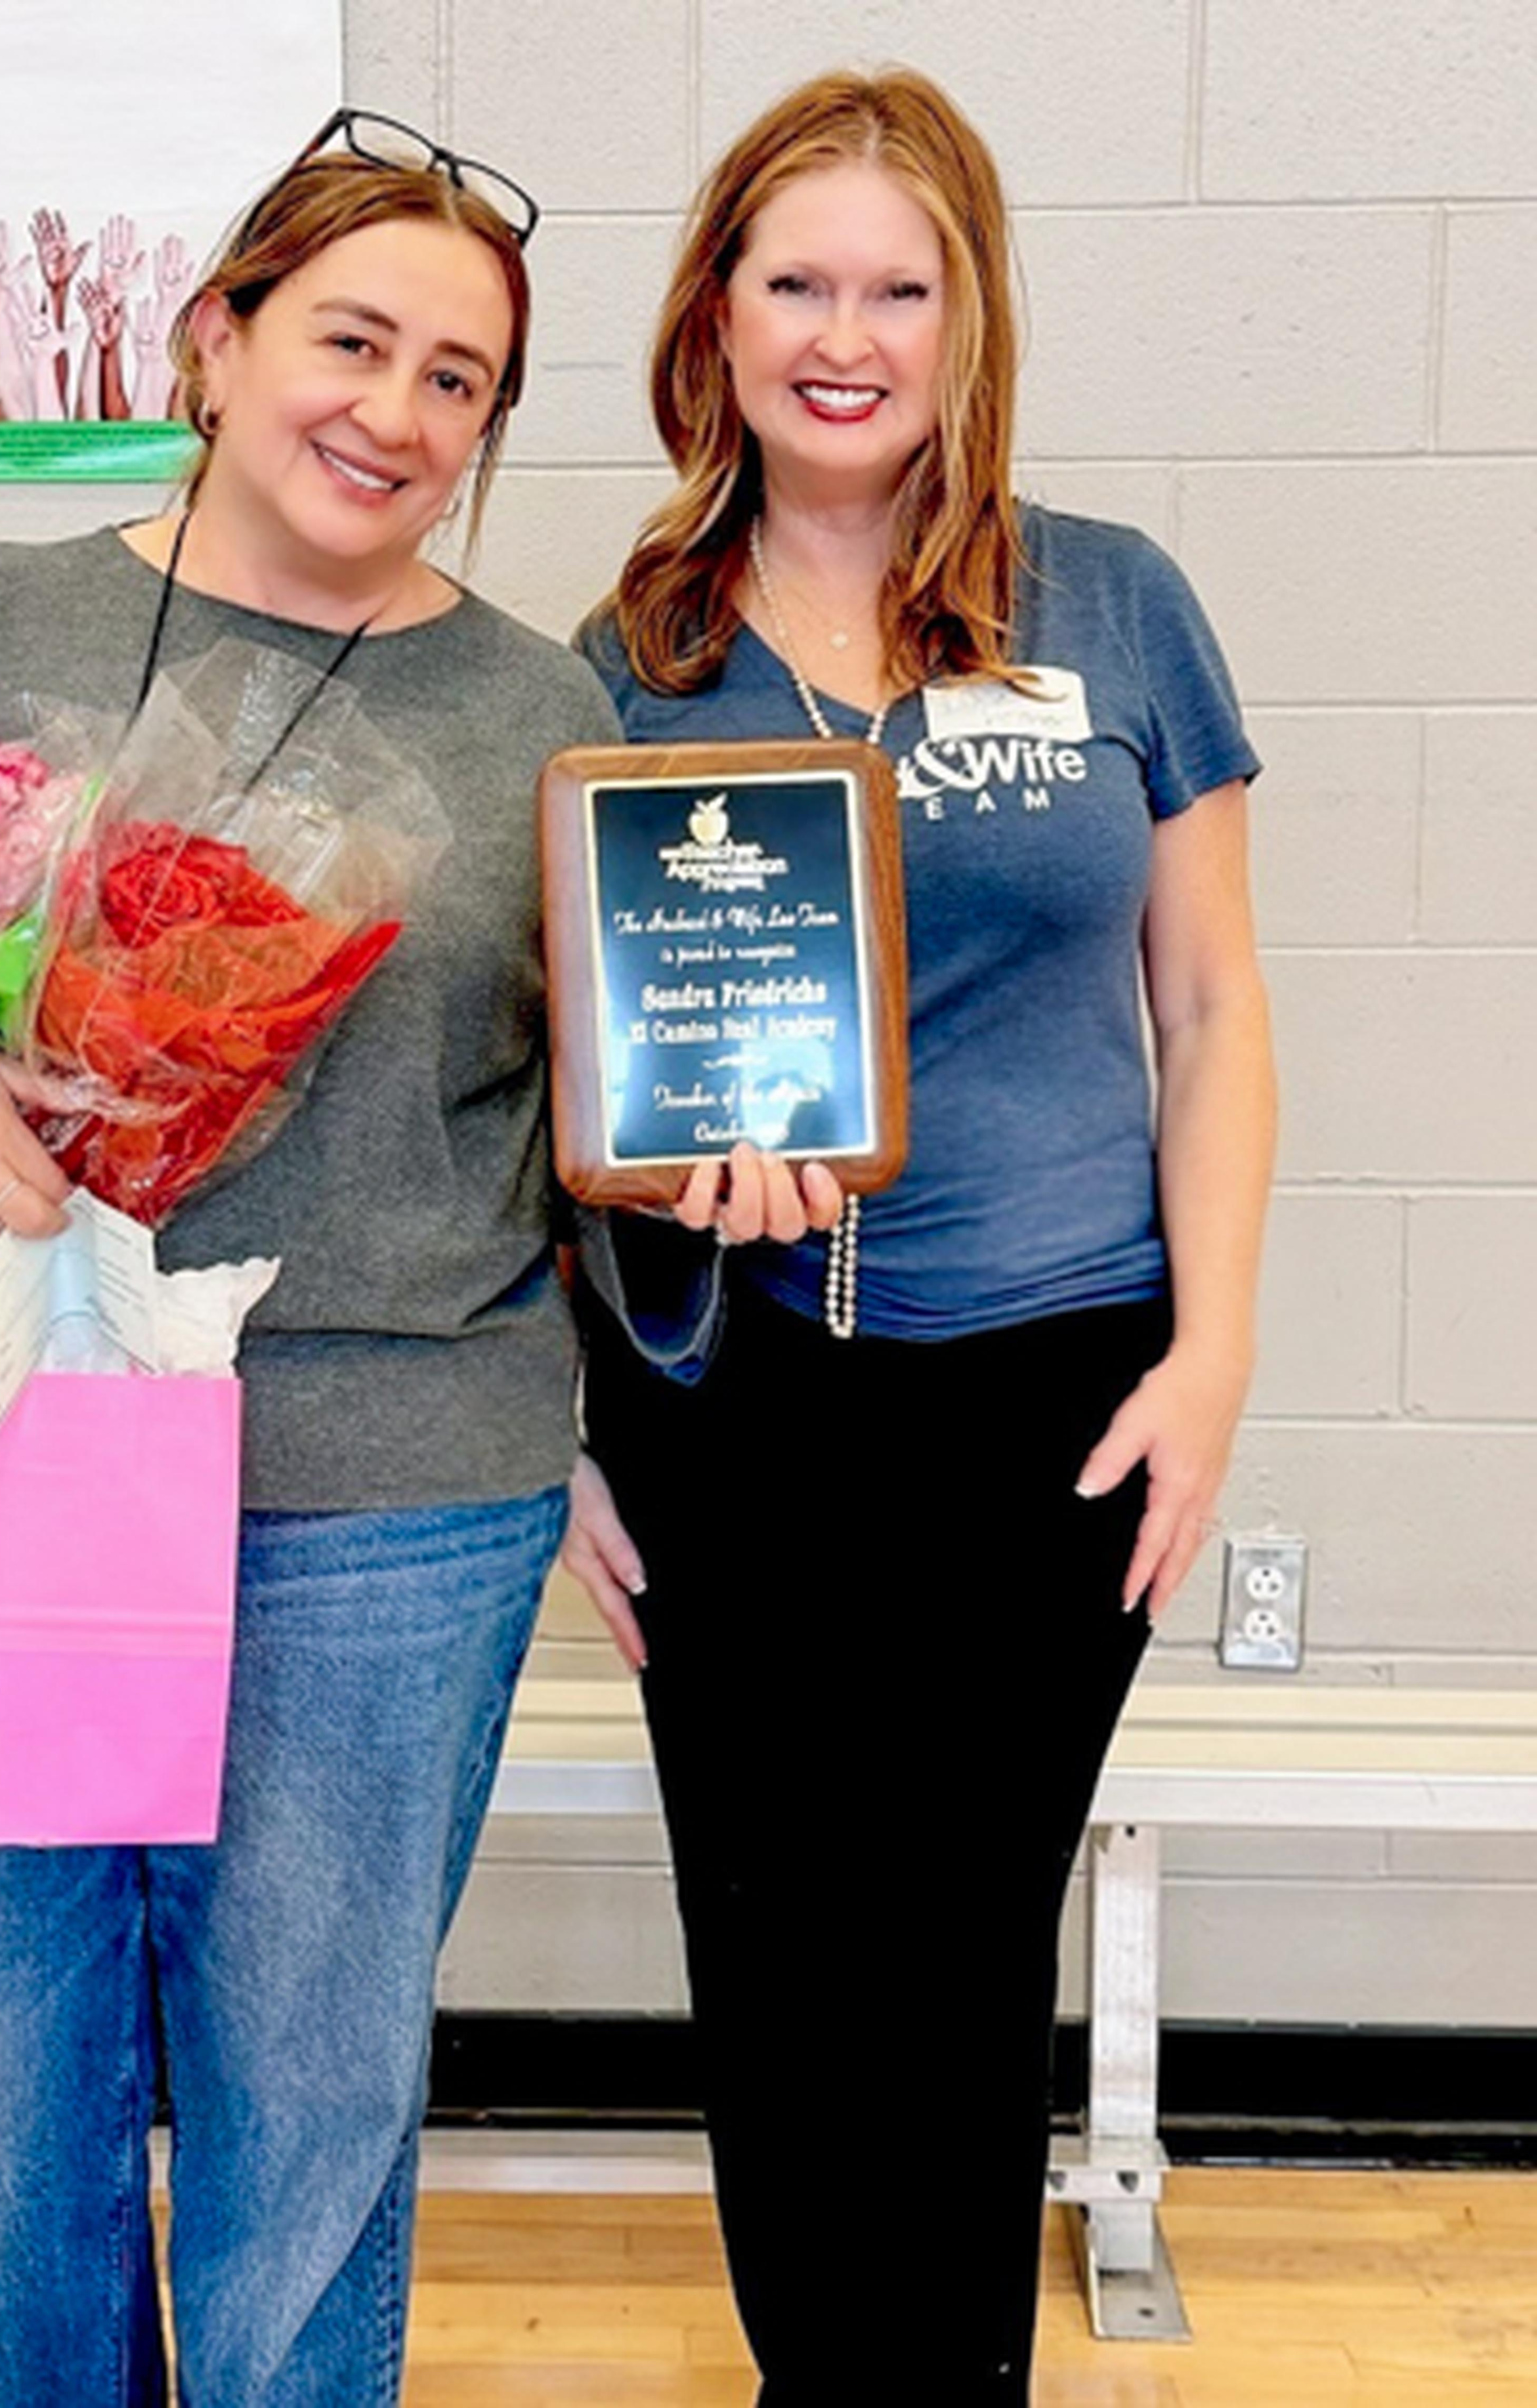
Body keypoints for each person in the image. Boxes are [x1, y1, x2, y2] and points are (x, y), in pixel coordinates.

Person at [0, 113, 619, 2407]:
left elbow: (595, 1131)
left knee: (308, 2146)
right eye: (351, 338)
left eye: (458, 380)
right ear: (217, 337)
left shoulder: (544, 715)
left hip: (384, 1504)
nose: (394, 410)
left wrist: (716, 1176)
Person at [560, 68, 1276, 2404]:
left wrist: (1215, 1361)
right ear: (719, 316)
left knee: (961, 1966)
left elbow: (1214, 998)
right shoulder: (630, 653)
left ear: (970, 316)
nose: (845, 333)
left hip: (1046, 1394)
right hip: (728, 1401)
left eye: (901, 281)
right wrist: (582, 1366)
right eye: (797, 280)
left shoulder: (1114, 607)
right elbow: (543, 1078)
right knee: (774, 1963)